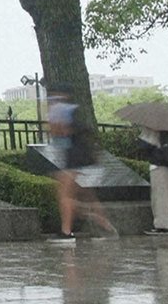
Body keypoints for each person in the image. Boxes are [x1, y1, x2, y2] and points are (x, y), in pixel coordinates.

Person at [46, 83, 116, 243]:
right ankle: (104, 224)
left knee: (65, 195)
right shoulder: (75, 110)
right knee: (87, 195)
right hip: (84, 156)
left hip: (73, 157)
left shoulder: (59, 109)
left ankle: (67, 232)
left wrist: (51, 126)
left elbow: (59, 130)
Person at [137, 126, 168, 235]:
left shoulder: (152, 127)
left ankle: (162, 226)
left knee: (160, 196)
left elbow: (144, 146)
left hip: (158, 165)